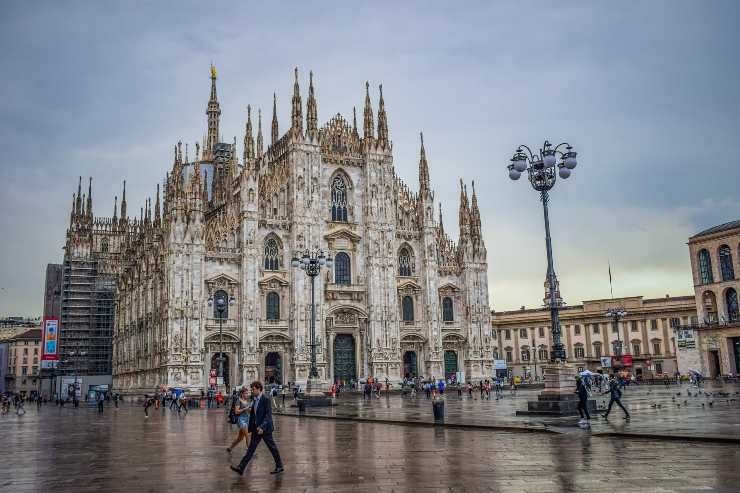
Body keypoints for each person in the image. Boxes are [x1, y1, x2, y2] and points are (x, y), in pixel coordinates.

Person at [230, 381, 284, 476]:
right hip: (256, 429)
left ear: (259, 389)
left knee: (272, 447)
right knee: (251, 449)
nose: (252, 391)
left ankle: (279, 466)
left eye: (253, 389)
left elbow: (268, 415)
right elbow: (254, 415)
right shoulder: (255, 399)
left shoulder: (266, 399)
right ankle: (241, 467)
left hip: (265, 429)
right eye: (251, 389)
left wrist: (262, 427)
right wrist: (252, 427)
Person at [227, 387, 252, 453]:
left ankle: (230, 448)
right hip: (241, 420)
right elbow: (236, 411)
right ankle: (250, 451)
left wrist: (250, 410)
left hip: (247, 419)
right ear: (242, 394)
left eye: (247, 393)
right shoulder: (238, 401)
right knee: (247, 435)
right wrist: (245, 409)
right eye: (245, 393)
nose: (247, 394)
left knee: (240, 438)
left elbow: (248, 410)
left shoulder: (247, 400)